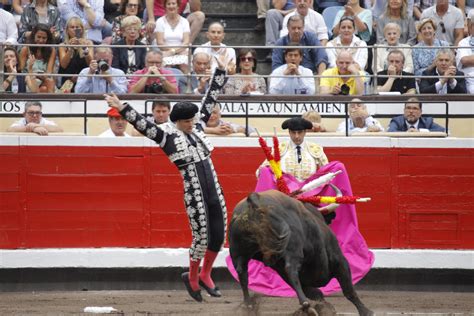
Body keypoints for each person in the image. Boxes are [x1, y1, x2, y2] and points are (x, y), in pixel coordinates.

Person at [104, 58, 228, 303]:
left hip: (215, 190)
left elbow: (210, 99)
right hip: (194, 193)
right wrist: (122, 106)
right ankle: (192, 277)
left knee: (219, 235)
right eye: (188, 122)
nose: (193, 124)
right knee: (201, 237)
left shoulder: (198, 126)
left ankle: (206, 273)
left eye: (193, 120)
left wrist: (221, 71)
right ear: (177, 122)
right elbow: (142, 124)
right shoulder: (165, 135)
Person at [228, 117, 374, 297]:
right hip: (285, 204)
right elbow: (261, 172)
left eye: (300, 133)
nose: (296, 136)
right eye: (293, 133)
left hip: (309, 203)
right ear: (289, 133)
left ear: (305, 132)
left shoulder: (315, 150)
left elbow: (327, 174)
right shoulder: (279, 150)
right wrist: (282, 185)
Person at [58, 17, 94, 93]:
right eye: (72, 27)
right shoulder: (63, 45)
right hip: (68, 81)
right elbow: (63, 65)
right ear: (67, 30)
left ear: (82, 29)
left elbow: (90, 63)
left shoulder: (88, 43)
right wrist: (70, 49)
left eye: (77, 27)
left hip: (85, 80)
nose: (75, 29)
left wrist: (84, 48)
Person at [155, 0, 191, 73]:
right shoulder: (160, 21)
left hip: (181, 51)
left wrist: (173, 51)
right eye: (168, 4)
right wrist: (170, 51)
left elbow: (186, 42)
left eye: (173, 3)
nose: (171, 6)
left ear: (178, 6)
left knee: (184, 66)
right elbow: (160, 43)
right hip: (165, 51)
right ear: (165, 6)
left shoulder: (184, 21)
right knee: (167, 69)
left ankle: (188, 84)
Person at [19, 23, 56, 93]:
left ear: (48, 39)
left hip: (44, 78)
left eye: (44, 38)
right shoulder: (26, 49)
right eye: (38, 37)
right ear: (34, 36)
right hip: (29, 77)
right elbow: (21, 70)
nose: (41, 40)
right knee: (44, 89)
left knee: (49, 82)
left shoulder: (52, 50)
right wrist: (32, 73)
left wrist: (40, 76)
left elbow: (49, 72)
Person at [456, 10, 474, 94]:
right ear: (470, 26)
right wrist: (469, 60)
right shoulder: (463, 42)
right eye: (473, 25)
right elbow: (465, 60)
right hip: (470, 80)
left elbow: (469, 60)